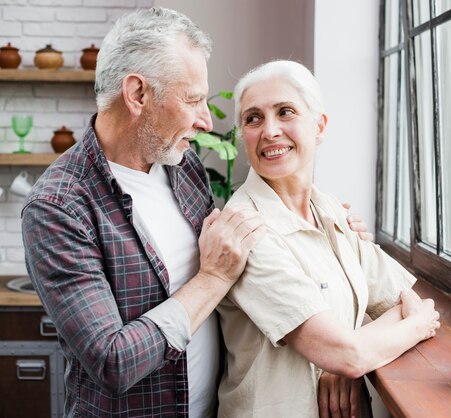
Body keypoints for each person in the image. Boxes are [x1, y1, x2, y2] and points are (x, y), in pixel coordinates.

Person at [21, 8, 372, 418]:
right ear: (137, 94)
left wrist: (331, 242)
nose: (205, 120)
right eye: (193, 99)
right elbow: (112, 362)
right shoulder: (58, 207)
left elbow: (252, 254)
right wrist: (212, 279)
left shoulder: (182, 166)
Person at [216, 60, 441, 418]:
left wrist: (351, 353)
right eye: (253, 118)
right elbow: (351, 352)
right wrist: (406, 330)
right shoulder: (246, 228)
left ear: (319, 126)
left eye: (285, 112)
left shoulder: (332, 210)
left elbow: (403, 299)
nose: (269, 130)